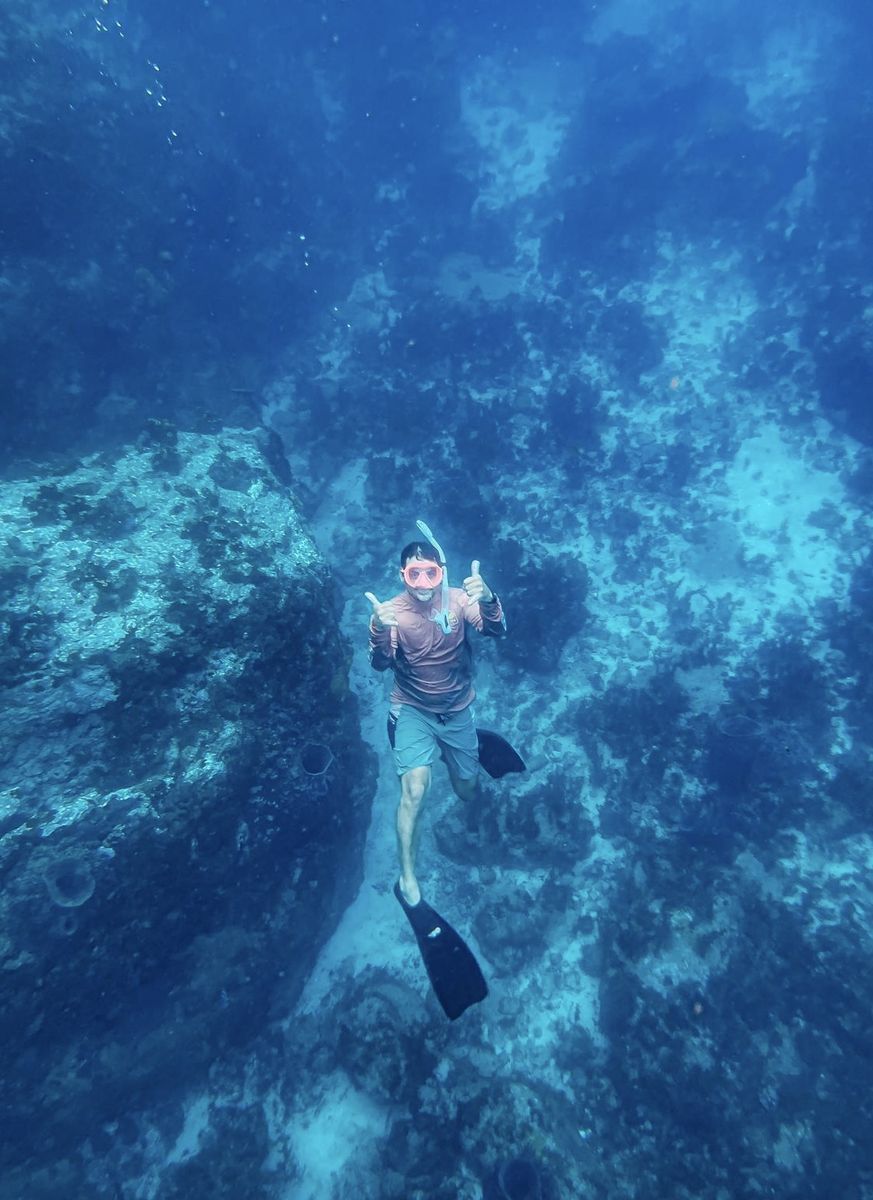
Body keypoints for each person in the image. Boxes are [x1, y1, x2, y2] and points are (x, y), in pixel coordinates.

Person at [364, 529, 506, 907]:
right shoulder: (391, 613)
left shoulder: (459, 601)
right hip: (411, 709)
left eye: (431, 573)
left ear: (442, 572)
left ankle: (454, 750)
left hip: (456, 708)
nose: (423, 583)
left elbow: (496, 630)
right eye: (414, 575)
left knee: (466, 793)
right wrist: (379, 629)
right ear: (402, 576)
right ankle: (407, 878)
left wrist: (489, 599)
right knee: (415, 790)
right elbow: (380, 664)